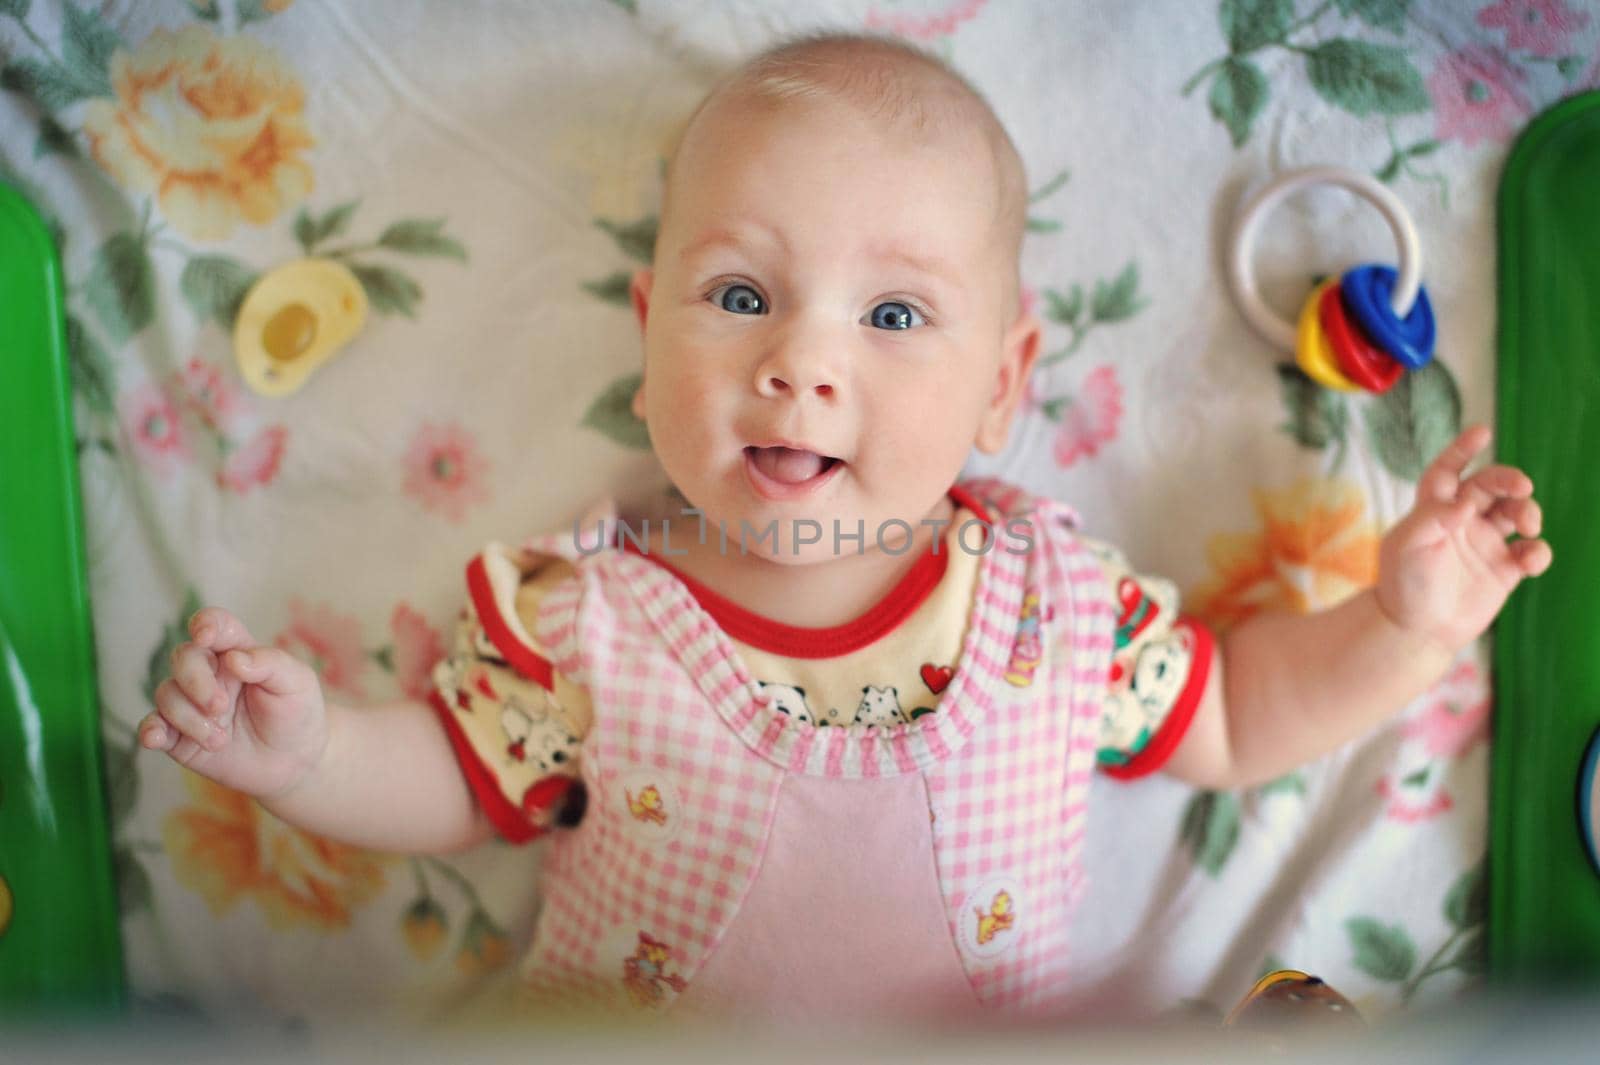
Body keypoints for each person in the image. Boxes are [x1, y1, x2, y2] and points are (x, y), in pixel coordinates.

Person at [141, 29, 1551, 1030]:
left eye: (892, 316)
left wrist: (1401, 621)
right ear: (650, 345)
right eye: (742, 295)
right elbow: (454, 770)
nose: (802, 360)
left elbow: (1237, 712)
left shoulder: (1054, 610)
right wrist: (313, 750)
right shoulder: (591, 613)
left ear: (1003, 381)